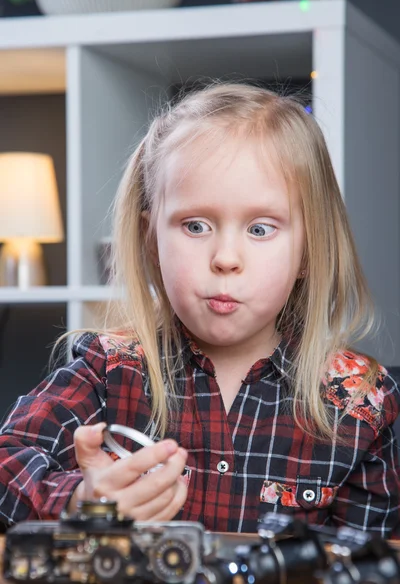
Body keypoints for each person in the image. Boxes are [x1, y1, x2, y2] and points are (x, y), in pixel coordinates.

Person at [0, 83, 399, 537]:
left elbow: (370, 559)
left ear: (309, 251)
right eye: (195, 225)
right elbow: (7, 461)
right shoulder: (105, 368)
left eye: (261, 228)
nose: (225, 258)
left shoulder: (359, 403)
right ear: (152, 241)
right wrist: (79, 499)